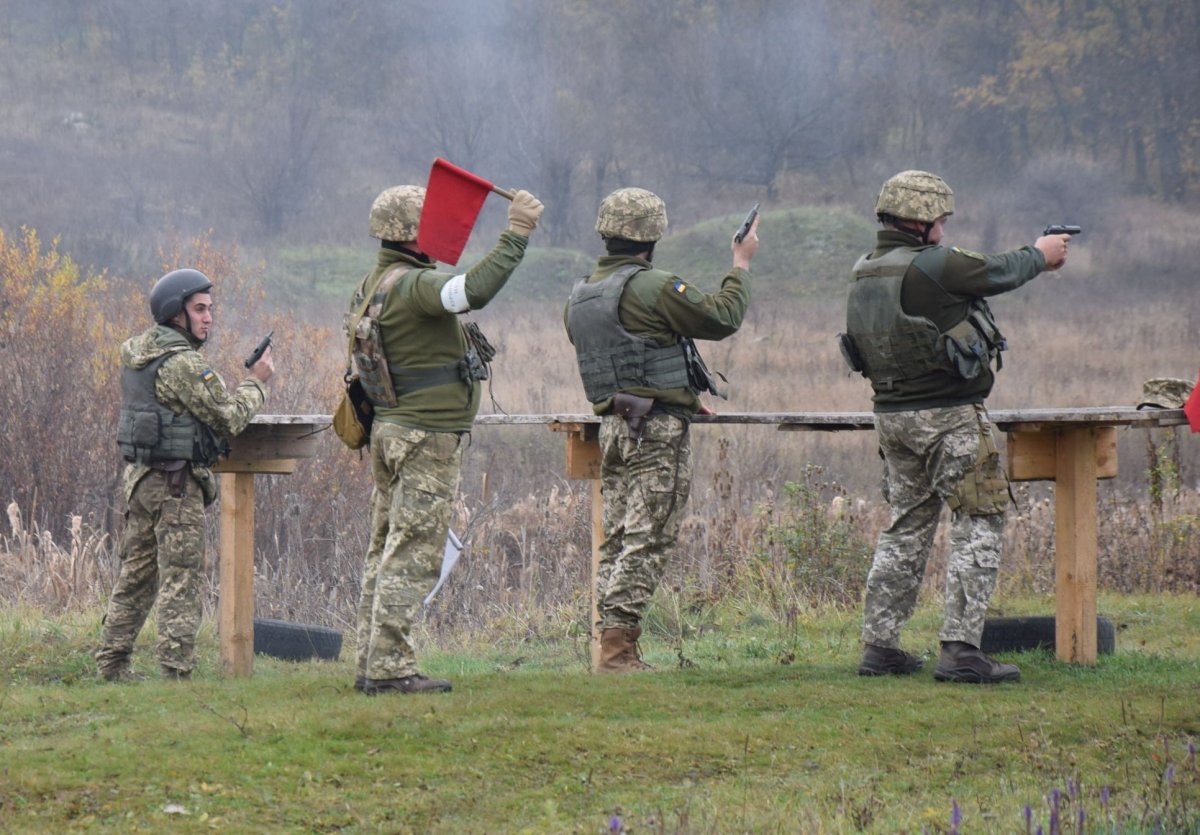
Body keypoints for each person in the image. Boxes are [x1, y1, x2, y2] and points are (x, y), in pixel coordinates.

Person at [841, 170, 1069, 684]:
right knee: (979, 523)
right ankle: (962, 650)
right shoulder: (935, 265)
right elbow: (1000, 271)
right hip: (948, 417)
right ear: (921, 222)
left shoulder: (865, 268)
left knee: (906, 528)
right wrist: (1042, 252)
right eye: (940, 219)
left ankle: (880, 647)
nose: (944, 228)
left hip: (892, 418)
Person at [347, 183, 544, 695]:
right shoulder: (415, 285)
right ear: (415, 231)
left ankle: (372, 662)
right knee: (413, 551)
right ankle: (391, 669)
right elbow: (471, 291)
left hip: (393, 432)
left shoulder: (374, 282)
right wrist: (516, 234)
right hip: (424, 437)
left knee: (385, 549)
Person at [565, 187, 757, 673]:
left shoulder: (582, 294)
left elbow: (633, 360)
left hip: (614, 427)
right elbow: (721, 317)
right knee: (648, 538)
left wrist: (683, 397)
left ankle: (610, 644)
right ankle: (618, 653)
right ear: (652, 237)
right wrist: (741, 263)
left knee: (620, 537)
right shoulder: (653, 287)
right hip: (654, 433)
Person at [96, 268, 274, 681]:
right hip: (175, 485)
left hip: (141, 480)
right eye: (200, 309)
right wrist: (256, 383)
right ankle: (176, 674)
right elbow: (229, 418)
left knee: (136, 576)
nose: (209, 317)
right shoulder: (182, 364)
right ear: (177, 314)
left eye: (211, 309)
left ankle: (111, 664)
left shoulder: (137, 351)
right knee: (181, 578)